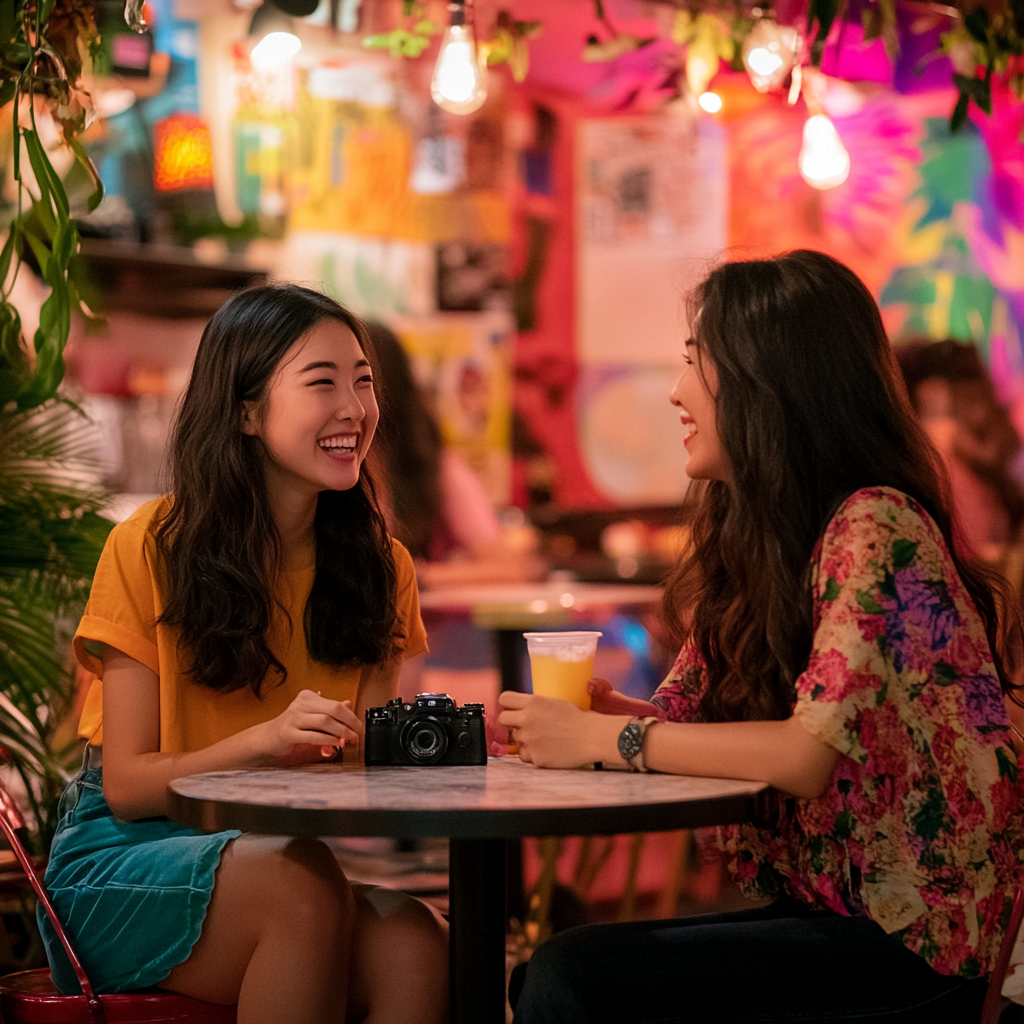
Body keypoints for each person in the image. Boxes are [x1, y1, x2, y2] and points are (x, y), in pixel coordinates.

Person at [500, 251, 1024, 1024]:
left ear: (766, 385)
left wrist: (614, 740)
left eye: (694, 363)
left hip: (920, 947)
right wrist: (609, 717)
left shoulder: (875, 523)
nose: (677, 392)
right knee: (548, 973)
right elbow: (682, 719)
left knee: (569, 981)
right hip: (836, 915)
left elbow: (803, 756)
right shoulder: (755, 534)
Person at [39, 285, 448, 1024]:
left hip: (272, 856)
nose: (354, 408)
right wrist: (262, 746)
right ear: (246, 410)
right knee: (301, 884)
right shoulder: (151, 547)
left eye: (363, 380)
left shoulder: (381, 567)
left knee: (418, 942)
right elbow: (129, 786)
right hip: (120, 862)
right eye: (322, 382)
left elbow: (373, 774)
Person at [367, 321, 543, 588]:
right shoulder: (319, 467)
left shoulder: (433, 467)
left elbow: (509, 568)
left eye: (360, 379)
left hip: (422, 625)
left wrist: (414, 576)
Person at [896, 337, 1024, 561]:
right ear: (933, 399)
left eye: (986, 396)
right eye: (971, 399)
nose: (983, 413)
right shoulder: (940, 463)